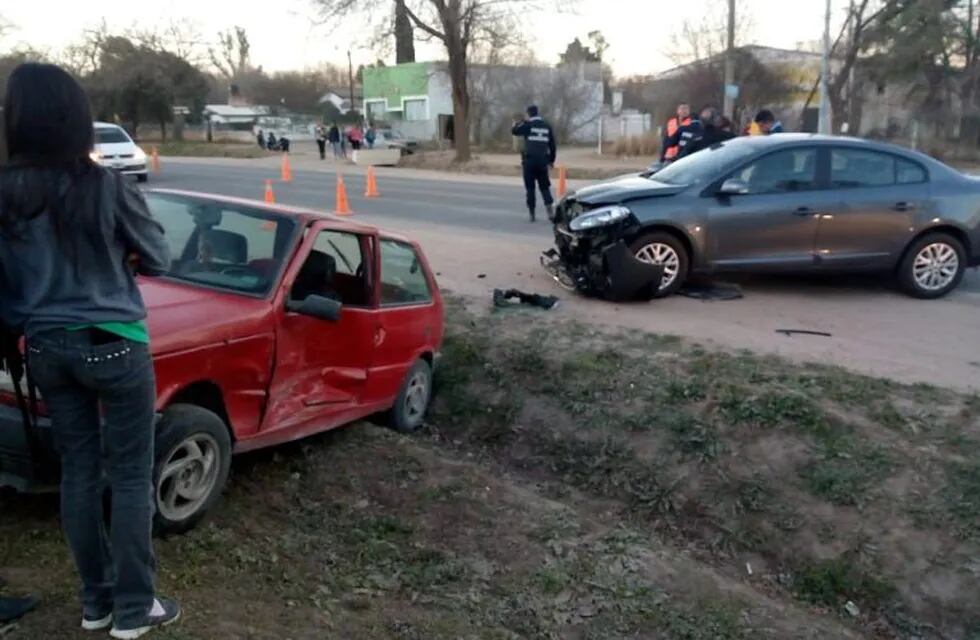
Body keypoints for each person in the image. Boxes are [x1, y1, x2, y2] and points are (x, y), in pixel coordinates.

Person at [0, 62, 179, 639]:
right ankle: (135, 610)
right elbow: (159, 257)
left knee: (78, 471)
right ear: (77, 118)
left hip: (46, 347)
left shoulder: (4, 193)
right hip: (116, 343)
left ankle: (95, 603)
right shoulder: (107, 185)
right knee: (129, 476)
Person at [511, 104, 557, 222]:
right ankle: (550, 212)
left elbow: (515, 131)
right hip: (542, 162)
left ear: (528, 114)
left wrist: (519, 122)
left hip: (529, 162)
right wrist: (551, 161)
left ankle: (532, 213)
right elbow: (552, 145)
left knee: (530, 188)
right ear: (537, 113)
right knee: (545, 187)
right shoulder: (547, 126)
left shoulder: (528, 125)